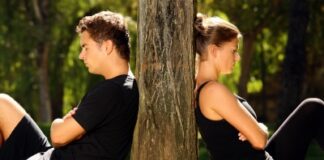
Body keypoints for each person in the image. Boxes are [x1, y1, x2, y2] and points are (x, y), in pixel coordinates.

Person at [0, 10, 139, 160]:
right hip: (53, 155)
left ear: (107, 47)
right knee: (2, 103)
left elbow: (58, 137)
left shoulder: (111, 91)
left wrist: (58, 123)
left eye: (86, 47)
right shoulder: (126, 86)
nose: (81, 55)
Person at [194, 13, 324, 160]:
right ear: (214, 51)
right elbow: (260, 140)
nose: (237, 57)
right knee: (314, 109)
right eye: (233, 50)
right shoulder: (212, 91)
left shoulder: (203, 89)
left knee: (312, 108)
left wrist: (255, 130)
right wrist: (259, 129)